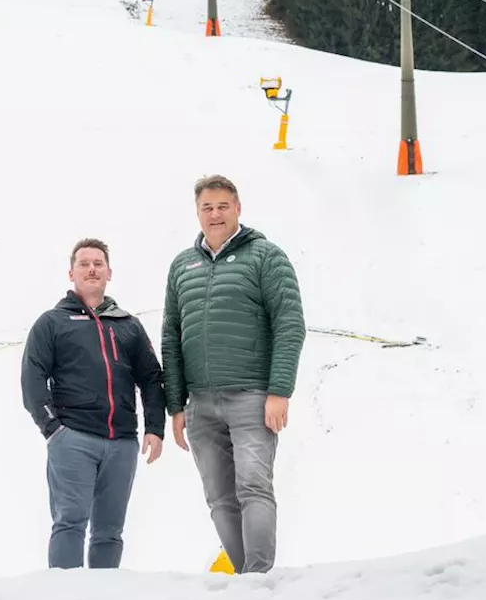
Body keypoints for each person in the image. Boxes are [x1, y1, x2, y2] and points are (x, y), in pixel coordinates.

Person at [161, 174, 306, 574]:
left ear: (238, 208)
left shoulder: (265, 256)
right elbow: (171, 335)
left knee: (253, 486)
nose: (215, 214)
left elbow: (290, 322)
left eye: (223, 206)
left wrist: (279, 390)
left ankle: (258, 579)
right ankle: (246, 582)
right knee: (219, 496)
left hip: (252, 398)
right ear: (197, 213)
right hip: (201, 404)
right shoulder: (182, 266)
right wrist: (176, 404)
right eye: (207, 207)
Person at [21, 238, 166, 569]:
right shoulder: (52, 323)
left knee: (110, 532)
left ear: (109, 273)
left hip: (122, 443)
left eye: (98, 264)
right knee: (70, 523)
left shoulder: (127, 325)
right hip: (73, 439)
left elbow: (151, 378)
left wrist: (154, 428)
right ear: (71, 273)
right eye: (84, 264)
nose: (91, 269)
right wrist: (53, 429)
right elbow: (32, 378)